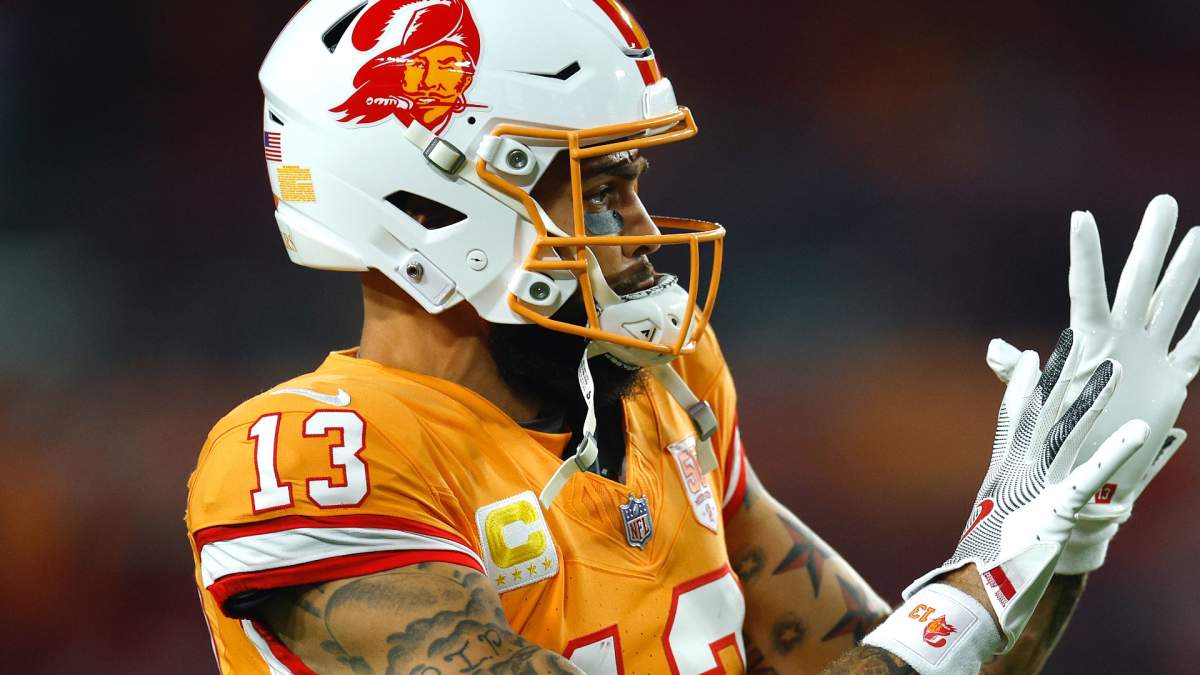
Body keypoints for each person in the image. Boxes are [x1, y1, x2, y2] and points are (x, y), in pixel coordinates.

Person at [186, 1, 1198, 672]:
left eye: (633, 182)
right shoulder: (318, 458)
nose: (636, 233)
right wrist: (982, 583)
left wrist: (1063, 527)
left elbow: (891, 659)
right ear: (423, 207)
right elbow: (938, 638)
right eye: (595, 189)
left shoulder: (656, 388)